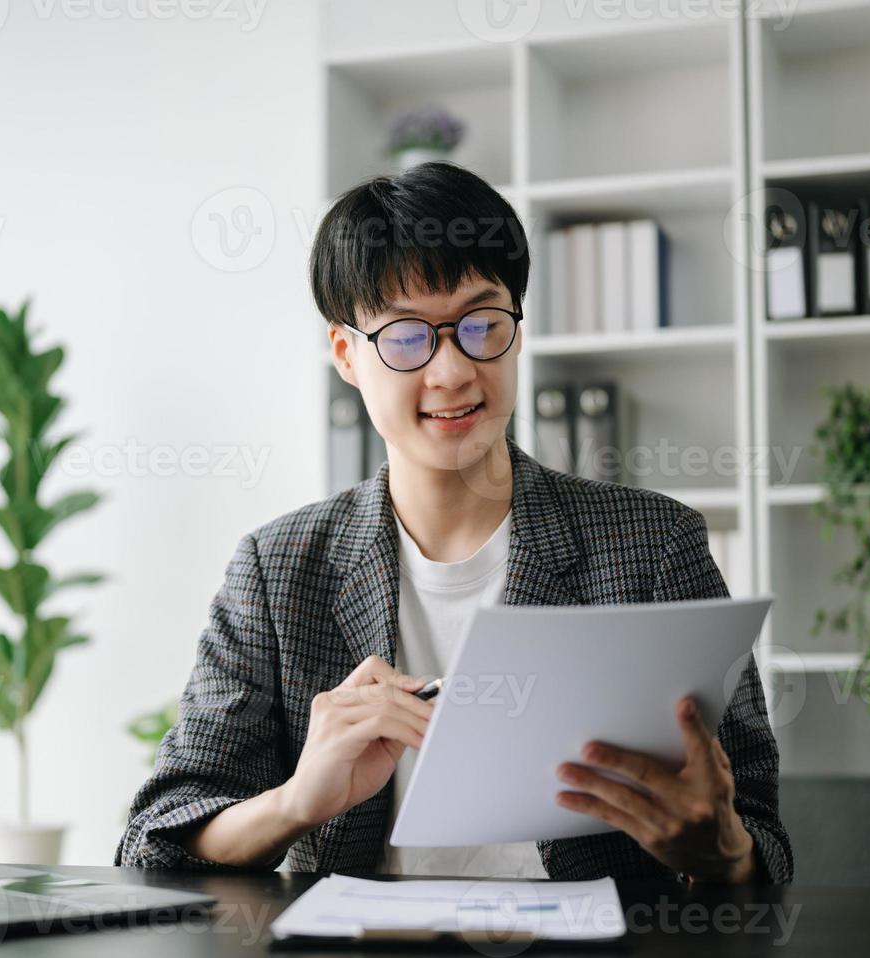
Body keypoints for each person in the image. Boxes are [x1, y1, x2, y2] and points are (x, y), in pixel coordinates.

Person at [115, 162, 791, 883]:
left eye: (481, 325)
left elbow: (764, 841)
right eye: (407, 336)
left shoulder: (655, 546)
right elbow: (154, 841)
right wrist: (296, 803)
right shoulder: (278, 569)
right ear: (347, 354)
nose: (452, 371)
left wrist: (722, 853)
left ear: (518, 330)